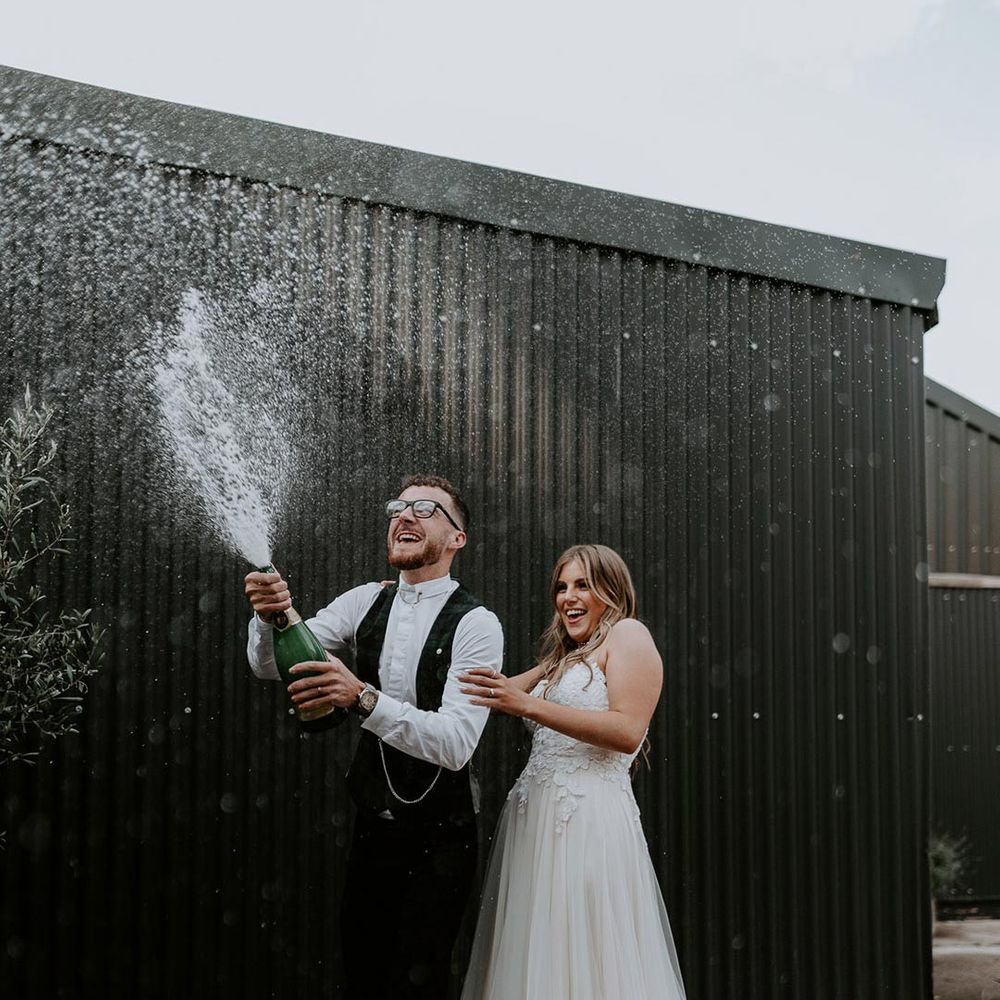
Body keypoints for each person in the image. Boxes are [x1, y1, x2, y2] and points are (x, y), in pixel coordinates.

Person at [244, 474, 504, 1000]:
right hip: (374, 826)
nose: (404, 516)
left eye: (426, 510)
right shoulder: (364, 600)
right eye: (398, 508)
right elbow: (269, 664)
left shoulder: (478, 623)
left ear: (458, 539)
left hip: (443, 835)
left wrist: (360, 696)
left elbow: (456, 744)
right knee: (363, 974)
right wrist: (270, 616)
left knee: (419, 981)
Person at [458, 543, 686, 999]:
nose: (568, 597)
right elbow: (495, 692)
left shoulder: (629, 635)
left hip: (587, 820)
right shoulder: (567, 658)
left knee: (587, 945)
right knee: (536, 949)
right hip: (536, 823)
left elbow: (627, 731)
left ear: (612, 590)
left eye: (583, 585)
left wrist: (529, 704)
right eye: (561, 587)